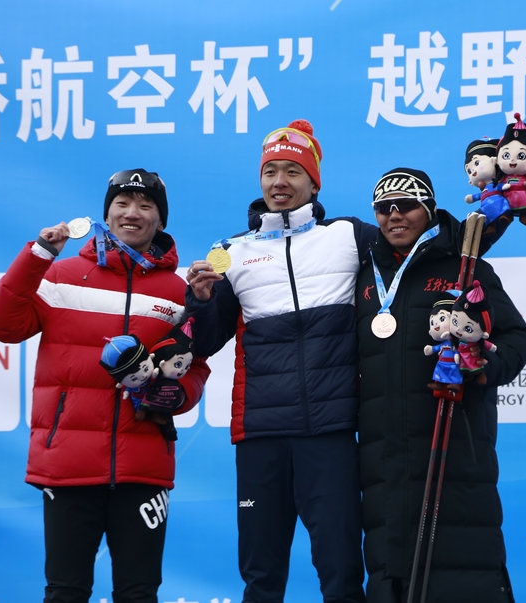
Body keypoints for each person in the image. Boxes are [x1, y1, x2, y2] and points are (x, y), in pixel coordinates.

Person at [0, 168, 211, 603]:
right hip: (68, 464)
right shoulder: (61, 275)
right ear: (107, 214)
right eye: (121, 203)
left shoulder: (177, 291)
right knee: (65, 592)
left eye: (145, 205)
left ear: (161, 220)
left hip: (144, 464)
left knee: (139, 593)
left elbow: (194, 365)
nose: (132, 213)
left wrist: (180, 395)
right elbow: (0, 324)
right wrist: (38, 256)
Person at [185, 119, 374, 603]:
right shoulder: (229, 253)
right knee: (261, 576)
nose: (279, 182)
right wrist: (200, 303)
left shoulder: (348, 236)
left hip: (330, 432)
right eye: (270, 172)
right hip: (261, 436)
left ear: (314, 182)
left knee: (342, 572)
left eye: (293, 171)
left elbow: (412, 256)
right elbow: (203, 343)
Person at [355, 168, 526, 603]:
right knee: (391, 572)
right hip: (383, 457)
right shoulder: (363, 276)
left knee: (463, 570)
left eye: (406, 205)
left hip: (454, 445)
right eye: (383, 208)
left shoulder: (465, 267)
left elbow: (515, 338)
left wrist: (482, 365)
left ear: (429, 209)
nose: (395, 215)